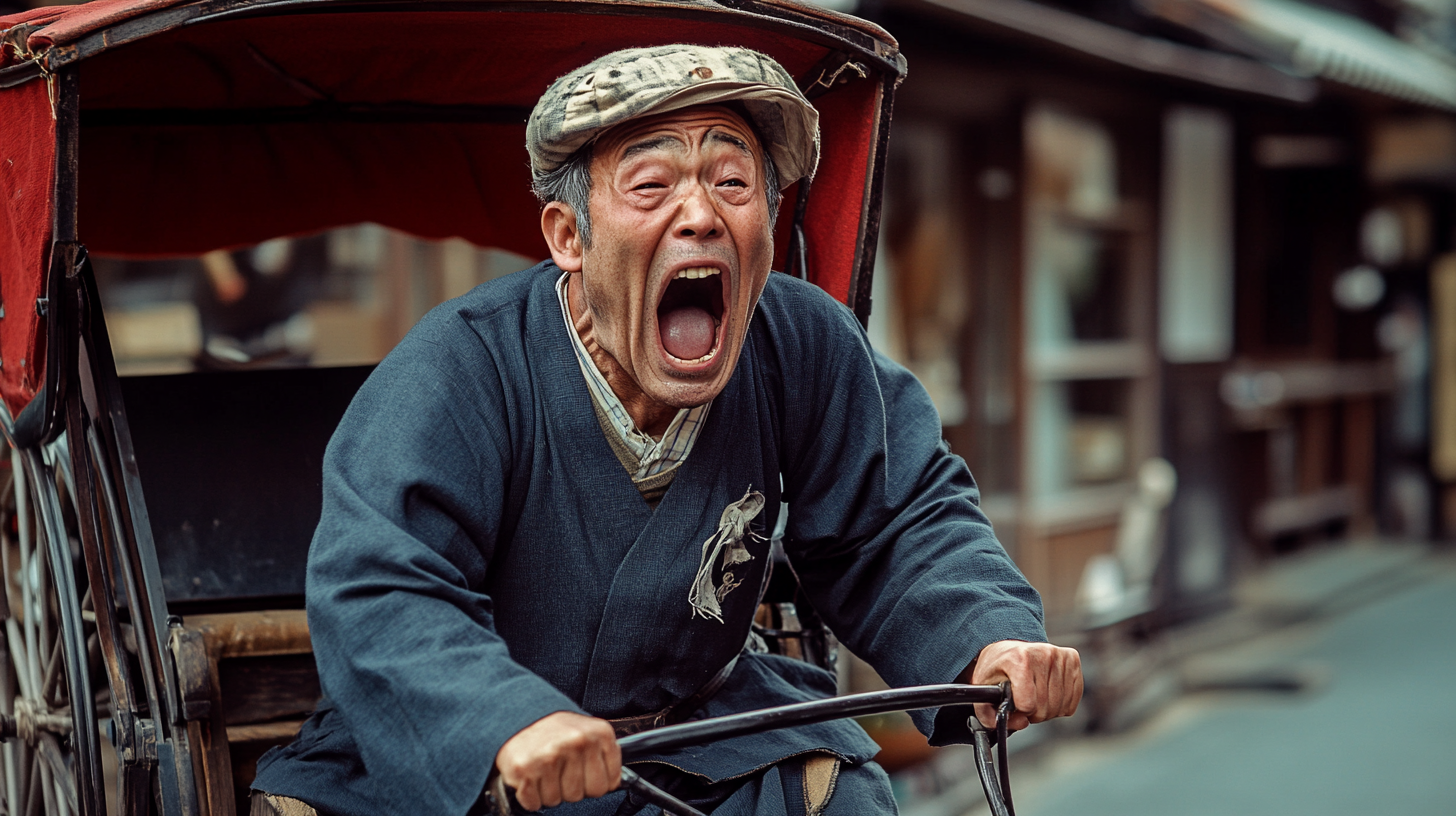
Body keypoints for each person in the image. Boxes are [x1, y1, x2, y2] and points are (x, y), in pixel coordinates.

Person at [250, 44, 1082, 816]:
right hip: (478, 750)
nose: (701, 216)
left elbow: (897, 520)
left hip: (703, 738)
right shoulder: (459, 366)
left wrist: (987, 639)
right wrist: (508, 720)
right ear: (568, 237)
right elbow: (385, 586)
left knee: (845, 795)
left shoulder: (801, 340)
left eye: (732, 182)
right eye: (651, 187)